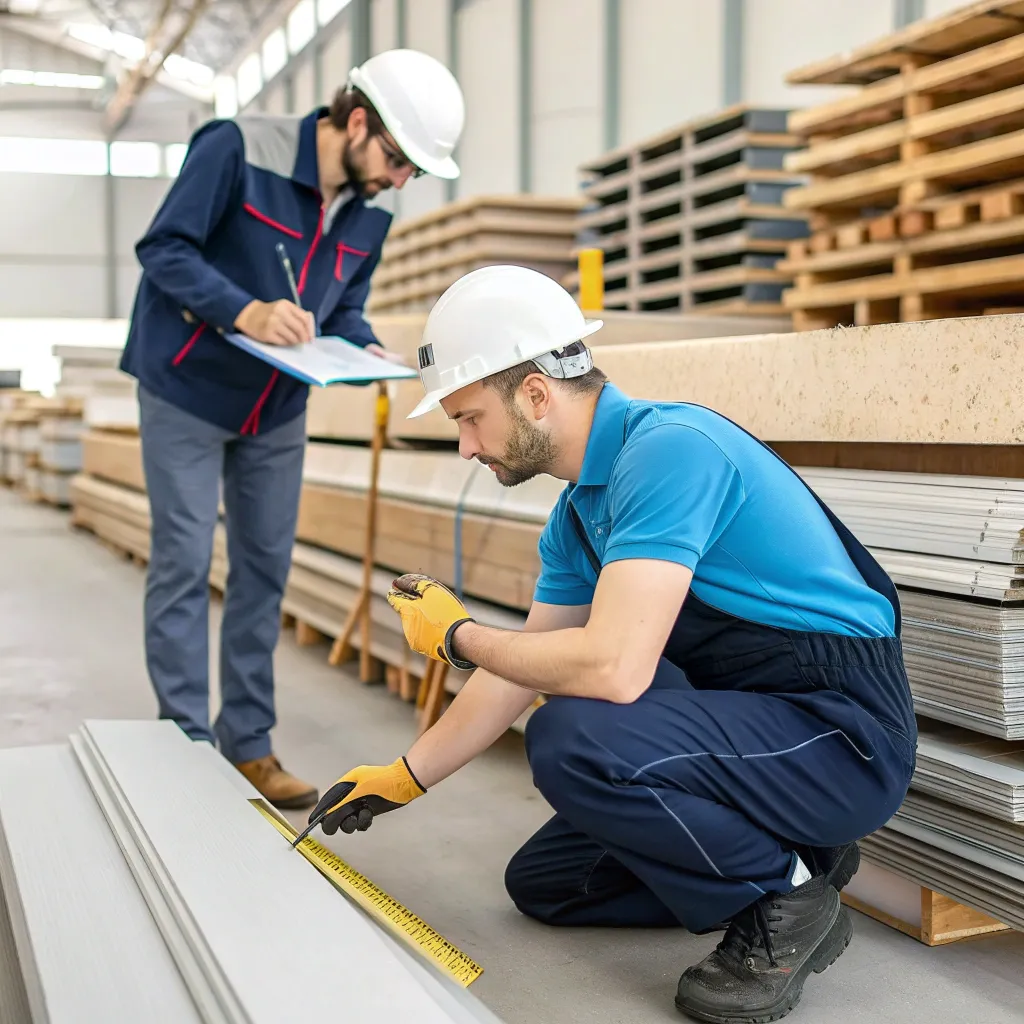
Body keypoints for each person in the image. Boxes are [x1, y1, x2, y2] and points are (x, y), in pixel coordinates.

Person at [306, 266, 917, 1022]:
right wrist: (407, 774)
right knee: (551, 885)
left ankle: (787, 897)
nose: (465, 445)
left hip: (838, 737)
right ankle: (798, 854)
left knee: (572, 734)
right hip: (752, 723)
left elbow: (616, 669)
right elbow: (520, 671)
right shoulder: (578, 516)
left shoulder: (669, 452)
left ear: (534, 394)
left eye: (468, 418)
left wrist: (461, 637)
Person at [119, 49, 465, 810]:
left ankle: (247, 746)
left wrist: (360, 343)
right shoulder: (237, 147)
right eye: (398, 160)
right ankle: (183, 745)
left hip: (276, 406)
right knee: (181, 561)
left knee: (265, 568)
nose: (400, 181)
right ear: (358, 120)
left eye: (412, 170)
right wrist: (242, 310)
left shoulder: (372, 210)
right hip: (185, 384)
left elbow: (340, 304)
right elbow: (163, 250)